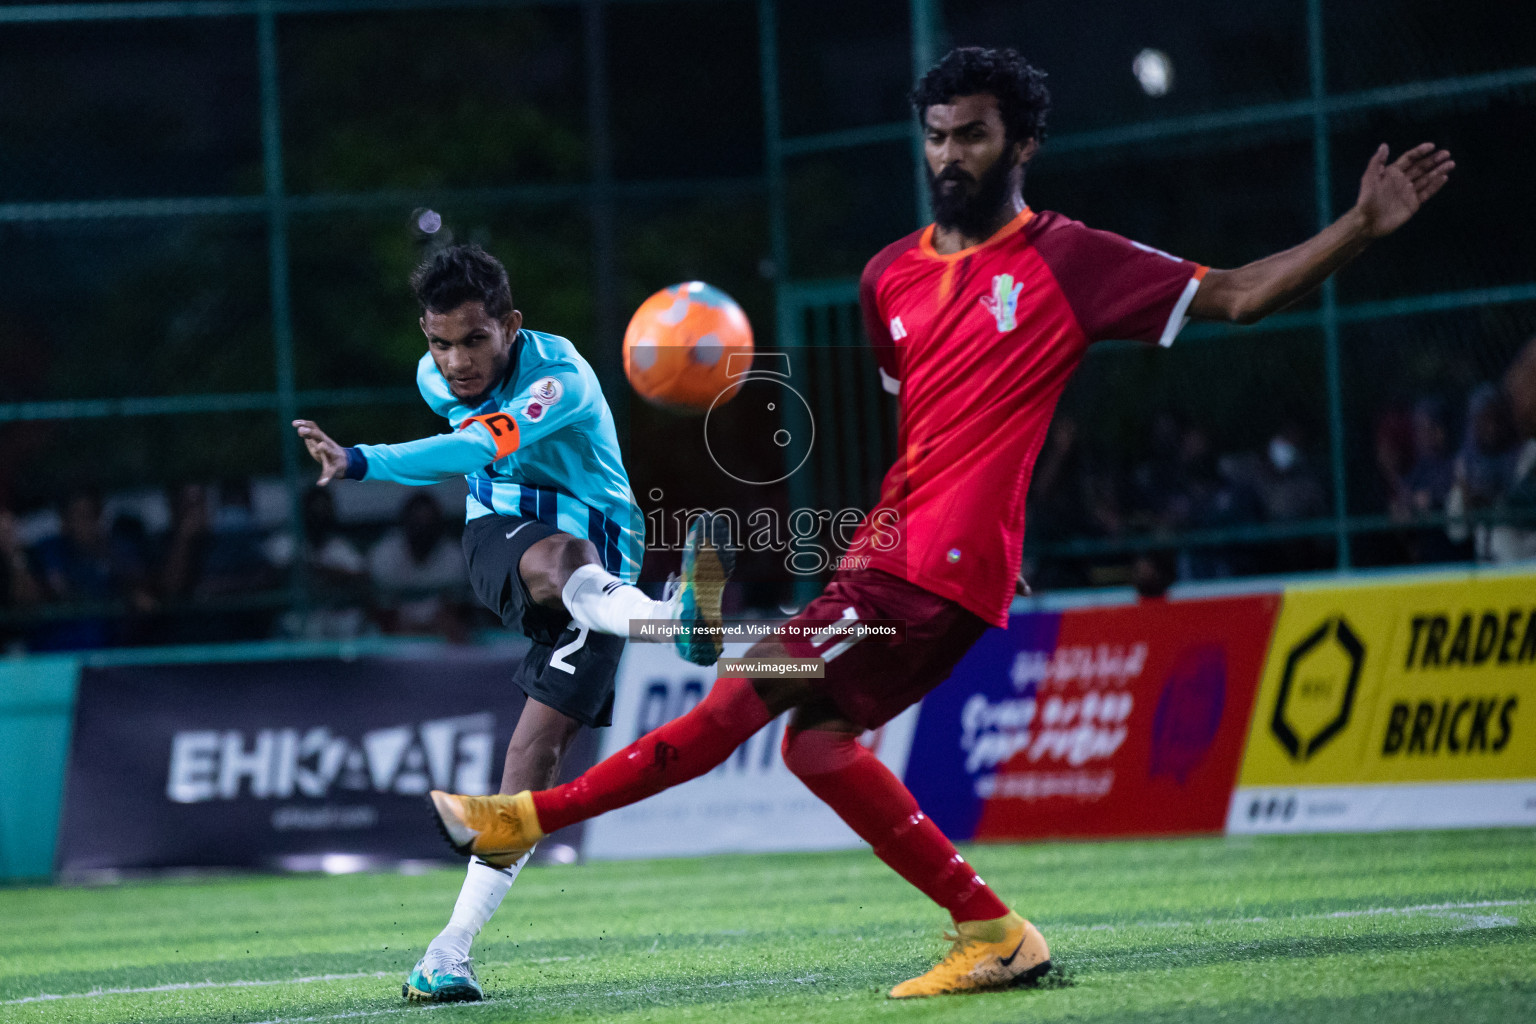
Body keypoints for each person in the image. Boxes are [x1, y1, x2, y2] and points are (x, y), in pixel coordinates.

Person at [429, 46, 1454, 999]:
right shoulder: (889, 277)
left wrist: (1359, 227)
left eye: (971, 133)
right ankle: (993, 931)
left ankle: (523, 814)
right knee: (817, 747)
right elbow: (928, 414)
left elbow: (1233, 295)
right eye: (935, 134)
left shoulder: (1071, 260)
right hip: (890, 550)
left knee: (743, 700)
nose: (949, 153)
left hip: (940, 566)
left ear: (1022, 142)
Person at [290, 243, 728, 1003]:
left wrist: (362, 459)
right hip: (503, 540)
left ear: (511, 325)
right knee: (560, 554)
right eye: (439, 342)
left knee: (534, 758)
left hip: (606, 561)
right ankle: (669, 619)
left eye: (473, 340)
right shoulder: (437, 376)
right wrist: (362, 462)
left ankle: (447, 953)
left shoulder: (558, 380)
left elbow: (473, 441)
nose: (455, 361)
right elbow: (464, 452)